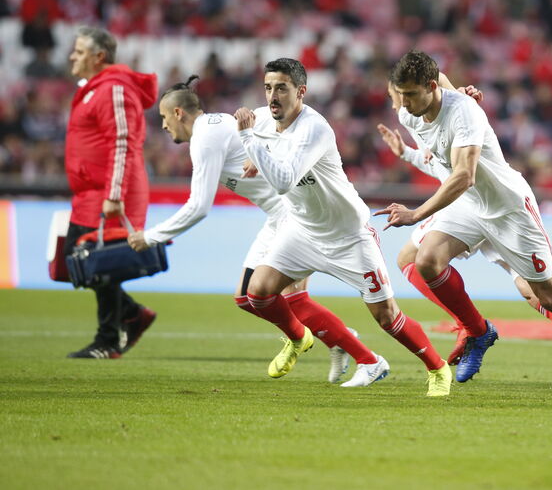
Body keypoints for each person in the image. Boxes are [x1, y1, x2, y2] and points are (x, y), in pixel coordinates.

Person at [376, 51, 552, 401]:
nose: (402, 104)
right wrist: (405, 153)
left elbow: (463, 175)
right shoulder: (413, 112)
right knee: (424, 260)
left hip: (507, 209)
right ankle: (478, 332)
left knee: (550, 296)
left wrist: (416, 214)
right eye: (399, 94)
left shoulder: (464, 112)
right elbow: (443, 161)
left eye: (410, 94)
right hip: (468, 206)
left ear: (431, 87)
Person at [126, 76, 380, 385]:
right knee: (247, 298)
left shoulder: (204, 137)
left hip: (298, 215)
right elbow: (260, 116)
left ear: (179, 113)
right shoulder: (217, 126)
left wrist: (151, 236)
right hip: (278, 216)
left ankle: (364, 357)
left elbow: (199, 206)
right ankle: (325, 337)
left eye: (165, 118)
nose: (164, 127)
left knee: (290, 298)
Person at [233, 58, 453, 397]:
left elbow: (283, 180)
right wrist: (254, 152)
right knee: (259, 292)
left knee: (386, 317)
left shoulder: (313, 129)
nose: (272, 96)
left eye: (281, 88)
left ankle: (438, 370)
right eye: (268, 88)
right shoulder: (263, 121)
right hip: (302, 231)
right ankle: (301, 338)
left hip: (349, 236)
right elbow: (264, 148)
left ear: (301, 92)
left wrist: (250, 142)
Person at [64, 25, 158, 359]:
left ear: (98, 56)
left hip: (111, 192)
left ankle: (107, 340)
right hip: (91, 191)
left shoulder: (115, 88)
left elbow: (123, 141)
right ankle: (132, 314)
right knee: (76, 262)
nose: (72, 56)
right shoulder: (94, 89)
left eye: (78, 51)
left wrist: (115, 193)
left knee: (95, 263)